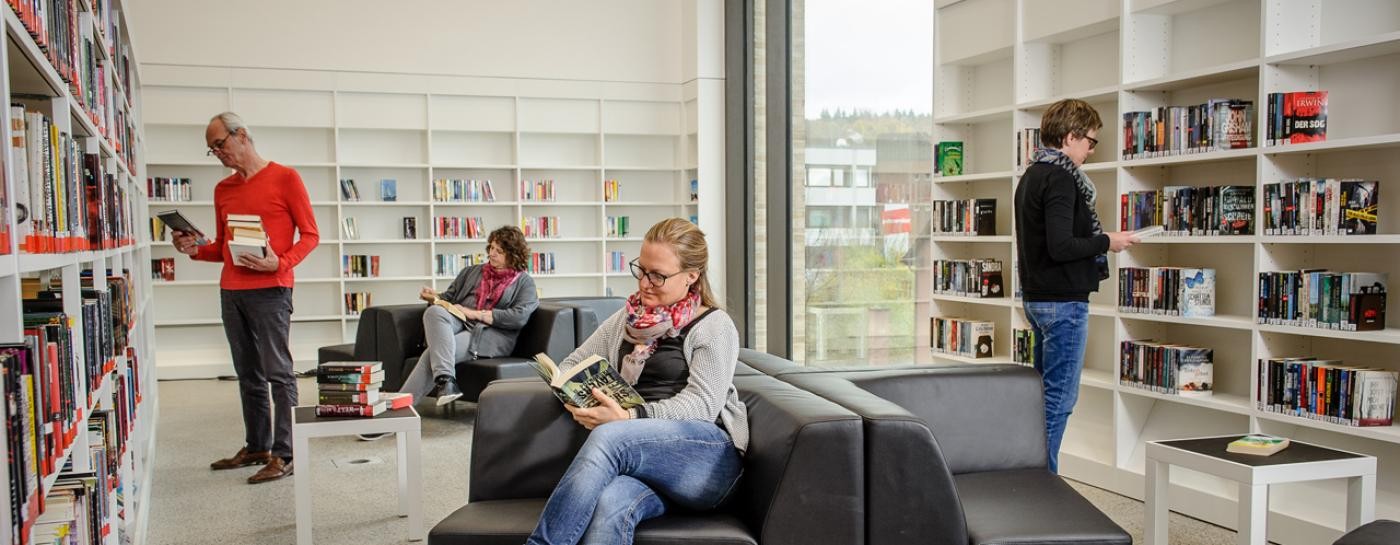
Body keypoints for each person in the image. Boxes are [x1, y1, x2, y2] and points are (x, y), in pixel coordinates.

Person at [525, 218, 746, 545]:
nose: (645, 283)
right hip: (645, 461)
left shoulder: (714, 326)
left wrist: (629, 418)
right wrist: (578, 395)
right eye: (641, 270)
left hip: (707, 461)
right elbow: (574, 363)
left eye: (658, 275)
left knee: (611, 436)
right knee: (610, 504)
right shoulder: (626, 320)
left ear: (691, 277)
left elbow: (702, 406)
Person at [172, 112, 319, 484]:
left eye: (219, 144)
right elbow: (222, 246)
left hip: (272, 290)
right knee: (247, 375)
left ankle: (285, 454)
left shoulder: (286, 178)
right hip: (232, 291)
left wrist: (280, 263)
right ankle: (257, 446)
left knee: (279, 373)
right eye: (212, 150)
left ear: (241, 135)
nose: (218, 153)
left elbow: (311, 235)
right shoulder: (223, 190)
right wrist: (194, 249)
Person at [1014, 99, 1136, 474]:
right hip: (1062, 302)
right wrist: (1107, 242)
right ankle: (1043, 483)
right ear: (1070, 136)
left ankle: (1032, 477)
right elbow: (1062, 245)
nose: (1091, 150)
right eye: (1091, 142)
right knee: (1059, 399)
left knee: (1041, 398)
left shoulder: (1032, 174)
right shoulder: (1062, 179)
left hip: (1038, 298)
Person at [401, 225, 539, 406]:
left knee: (432, 355)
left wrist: (475, 314)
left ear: (513, 254)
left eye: (499, 251)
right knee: (434, 311)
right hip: (459, 319)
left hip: (488, 333)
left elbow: (518, 317)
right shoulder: (471, 272)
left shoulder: (524, 283)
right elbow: (448, 299)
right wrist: (434, 296)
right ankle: (446, 380)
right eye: (491, 248)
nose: (492, 253)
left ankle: (398, 411)